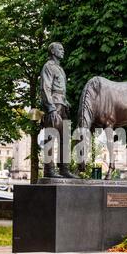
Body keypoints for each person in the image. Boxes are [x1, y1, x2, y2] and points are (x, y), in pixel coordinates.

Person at [40, 42, 78, 178]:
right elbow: (45, 88)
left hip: (63, 104)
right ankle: (49, 170)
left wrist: (66, 102)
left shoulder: (60, 68)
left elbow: (61, 89)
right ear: (53, 51)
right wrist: (50, 108)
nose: (63, 51)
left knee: (65, 137)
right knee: (50, 136)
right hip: (54, 105)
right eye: (60, 49)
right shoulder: (48, 67)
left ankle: (64, 169)